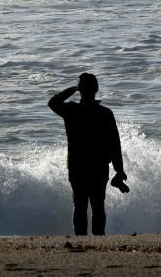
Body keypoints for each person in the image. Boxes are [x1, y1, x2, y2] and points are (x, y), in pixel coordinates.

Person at [48, 72, 127, 235]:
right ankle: (98, 238)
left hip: (77, 167)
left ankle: (81, 240)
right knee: (98, 206)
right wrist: (119, 170)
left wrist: (71, 90)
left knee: (80, 206)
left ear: (81, 90)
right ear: (96, 89)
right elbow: (114, 144)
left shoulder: (71, 110)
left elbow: (53, 103)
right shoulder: (105, 113)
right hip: (99, 167)